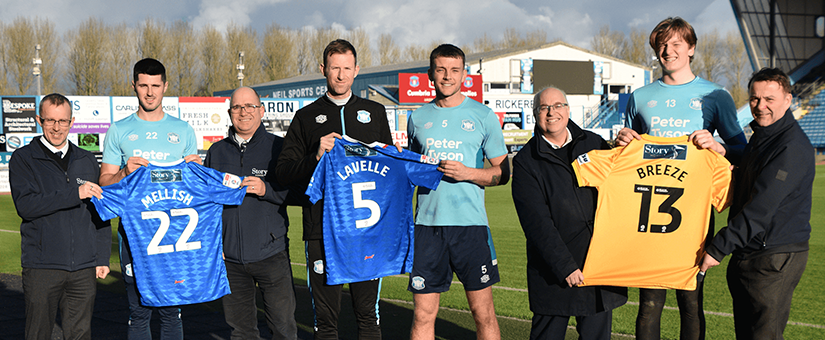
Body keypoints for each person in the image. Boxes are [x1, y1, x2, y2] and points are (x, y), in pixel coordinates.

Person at [615, 17, 747, 340]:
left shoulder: (715, 95)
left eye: (676, 43)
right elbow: (628, 157)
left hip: (693, 213)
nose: (668, 50)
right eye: (662, 44)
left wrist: (719, 146)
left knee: (690, 300)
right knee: (649, 303)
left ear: (691, 49)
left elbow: (742, 151)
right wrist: (620, 143)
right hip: (648, 210)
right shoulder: (641, 96)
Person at [275, 39, 392, 340]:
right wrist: (315, 155)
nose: (340, 75)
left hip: (366, 230)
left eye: (346, 68)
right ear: (322, 69)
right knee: (326, 322)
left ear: (356, 70)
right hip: (322, 232)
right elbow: (283, 171)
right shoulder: (305, 117)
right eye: (334, 68)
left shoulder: (375, 112)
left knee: (368, 317)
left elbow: (391, 168)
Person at [700, 67, 813, 339]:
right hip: (751, 252)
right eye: (754, 99)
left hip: (772, 257)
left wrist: (716, 249)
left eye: (769, 99)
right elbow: (753, 166)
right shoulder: (765, 137)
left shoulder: (790, 148)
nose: (760, 106)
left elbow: (760, 209)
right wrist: (725, 153)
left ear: (788, 99)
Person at [406, 44, 510, 340]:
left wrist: (469, 174)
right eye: (440, 70)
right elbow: (413, 168)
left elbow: (504, 173)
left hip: (471, 227)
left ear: (464, 74)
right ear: (430, 74)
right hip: (427, 227)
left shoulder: (482, 115)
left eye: (454, 70)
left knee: (483, 313)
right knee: (423, 315)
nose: (447, 76)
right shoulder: (418, 118)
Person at [511, 87, 627, 339]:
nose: (551, 112)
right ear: (535, 114)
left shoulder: (594, 142)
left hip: (598, 264)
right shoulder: (525, 162)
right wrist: (565, 267)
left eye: (558, 106)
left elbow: (621, 188)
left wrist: (626, 144)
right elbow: (536, 224)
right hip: (554, 273)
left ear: (568, 109)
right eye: (544, 108)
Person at [99, 58, 200, 340]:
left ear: (165, 86)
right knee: (139, 312)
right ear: (134, 86)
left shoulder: (183, 131)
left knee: (171, 314)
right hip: (134, 237)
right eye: (144, 85)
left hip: (175, 239)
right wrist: (123, 172)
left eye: (156, 86)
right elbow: (104, 184)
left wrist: (198, 172)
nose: (150, 92)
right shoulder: (119, 130)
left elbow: (193, 191)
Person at [9, 93, 110, 340]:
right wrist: (74, 194)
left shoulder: (86, 158)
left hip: (84, 267)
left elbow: (101, 213)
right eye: (50, 120)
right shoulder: (23, 158)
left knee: (80, 335)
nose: (57, 127)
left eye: (63, 121)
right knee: (38, 334)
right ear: (39, 120)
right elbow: (26, 206)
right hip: (42, 266)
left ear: (71, 121)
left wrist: (103, 256)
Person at [205, 86, 298, 340]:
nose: (243, 112)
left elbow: (299, 193)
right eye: (237, 107)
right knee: (242, 332)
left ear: (261, 110)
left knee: (283, 329)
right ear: (229, 112)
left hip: (271, 254)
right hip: (231, 259)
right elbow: (207, 203)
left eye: (250, 106)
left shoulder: (280, 148)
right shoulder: (216, 152)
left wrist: (265, 189)